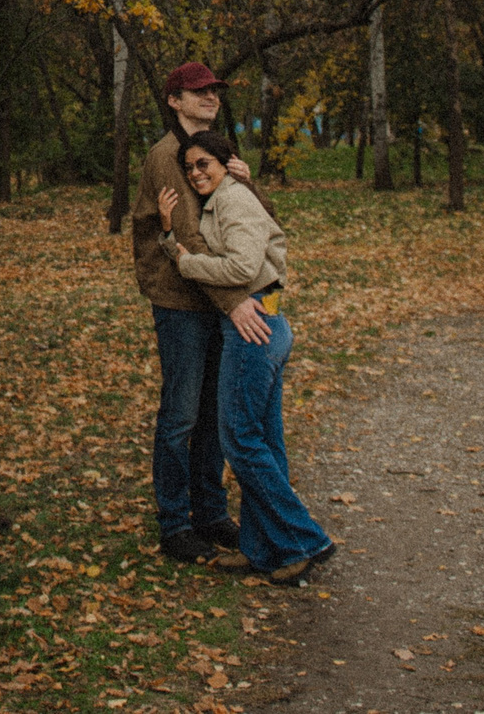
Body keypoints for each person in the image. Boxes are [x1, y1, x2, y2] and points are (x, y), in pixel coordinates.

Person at [158, 128, 340, 584]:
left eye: (204, 163)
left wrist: (185, 264)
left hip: (254, 324)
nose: (196, 173)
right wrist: (168, 234)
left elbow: (240, 266)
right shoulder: (223, 200)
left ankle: (304, 538)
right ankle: (263, 548)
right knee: (263, 440)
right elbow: (207, 253)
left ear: (225, 162)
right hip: (264, 321)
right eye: (189, 167)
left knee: (239, 438)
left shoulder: (235, 200)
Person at [130, 60, 269, 563]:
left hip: (213, 291)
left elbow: (251, 219)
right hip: (181, 298)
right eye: (198, 92)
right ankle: (174, 524)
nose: (210, 97)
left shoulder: (217, 149)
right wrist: (234, 304)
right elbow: (186, 236)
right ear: (174, 100)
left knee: (212, 411)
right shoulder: (168, 156)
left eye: (214, 90)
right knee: (182, 415)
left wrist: (248, 182)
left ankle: (211, 515)